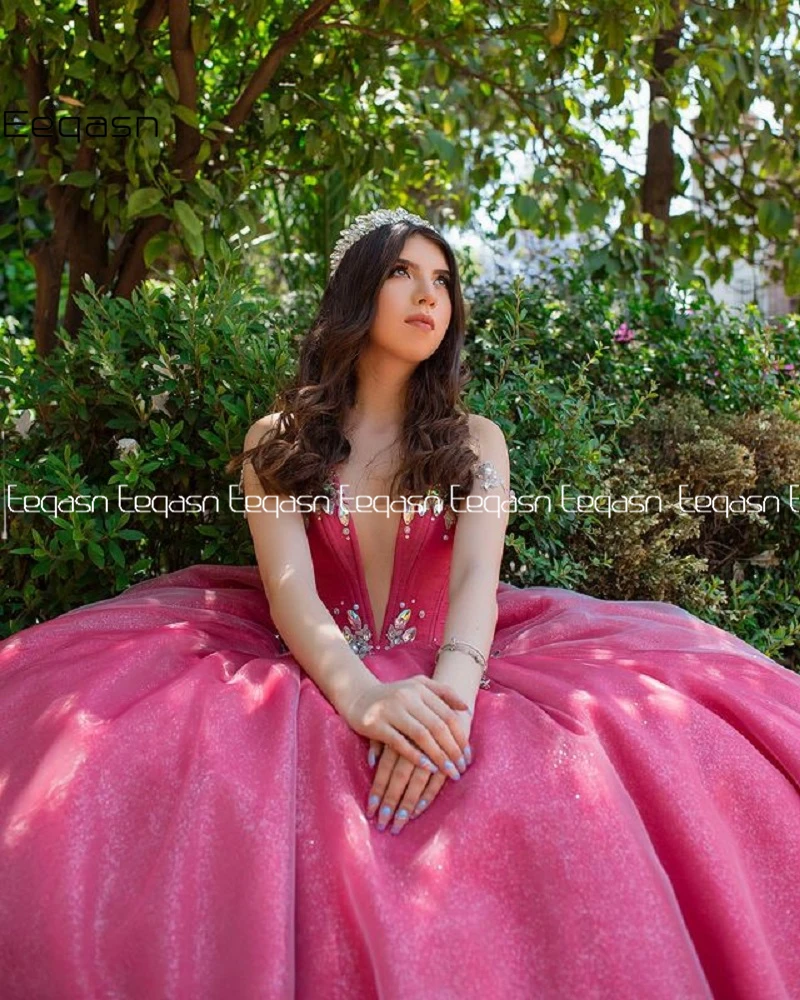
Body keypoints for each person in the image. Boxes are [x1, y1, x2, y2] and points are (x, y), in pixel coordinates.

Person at [1, 208, 799, 1000]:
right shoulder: (275, 439)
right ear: (357, 291)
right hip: (321, 661)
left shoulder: (475, 440)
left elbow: (473, 581)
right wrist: (366, 697)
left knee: (639, 737)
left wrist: (448, 706)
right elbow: (290, 595)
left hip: (465, 653)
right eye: (402, 273)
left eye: (443, 281)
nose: (429, 295)